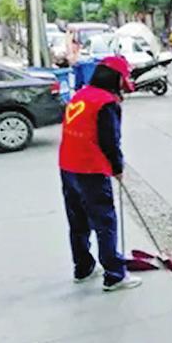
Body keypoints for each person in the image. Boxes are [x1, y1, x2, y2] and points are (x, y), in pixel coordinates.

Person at [59, 56, 142, 292]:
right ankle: (114, 274)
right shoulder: (106, 102)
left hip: (67, 165)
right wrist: (117, 168)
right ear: (116, 78)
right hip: (90, 168)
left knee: (78, 220)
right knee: (105, 220)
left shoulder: (80, 95)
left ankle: (83, 267)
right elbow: (110, 141)